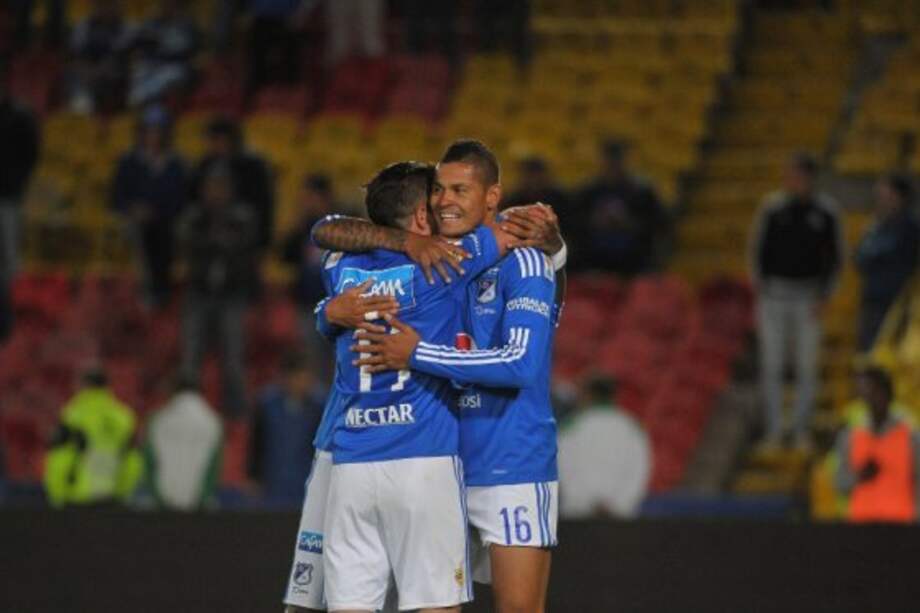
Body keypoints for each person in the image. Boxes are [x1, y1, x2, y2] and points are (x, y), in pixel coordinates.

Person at [317, 140, 566, 613]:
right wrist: (328, 311)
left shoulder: (525, 257)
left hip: (507, 462)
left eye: (459, 189)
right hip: (440, 457)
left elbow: (521, 363)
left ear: (492, 197)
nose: (445, 200)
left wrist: (416, 353)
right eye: (438, 190)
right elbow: (328, 233)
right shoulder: (436, 257)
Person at [290, 161, 517, 613]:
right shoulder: (450, 262)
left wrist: (329, 313)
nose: (444, 208)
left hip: (353, 466)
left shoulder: (341, 270)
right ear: (419, 218)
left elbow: (325, 230)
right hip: (423, 459)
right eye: (435, 202)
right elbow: (512, 231)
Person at [749, 152, 845, 450]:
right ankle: (775, 430)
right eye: (790, 176)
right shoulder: (773, 208)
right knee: (772, 364)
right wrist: (761, 289)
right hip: (775, 295)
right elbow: (757, 252)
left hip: (809, 297)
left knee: (806, 366)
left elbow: (836, 258)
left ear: (810, 178)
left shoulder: (826, 212)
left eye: (798, 176)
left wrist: (826, 295)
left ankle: (801, 429)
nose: (793, 182)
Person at [176, 163, 259, 418]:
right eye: (212, 187)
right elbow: (184, 244)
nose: (216, 192)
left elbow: (247, 249)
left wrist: (219, 245)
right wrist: (216, 244)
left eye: (221, 187)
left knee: (233, 356)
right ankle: (187, 407)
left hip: (231, 294)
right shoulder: (195, 216)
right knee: (191, 354)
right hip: (199, 292)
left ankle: (235, 412)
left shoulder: (242, 216)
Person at [111, 105, 187, 308]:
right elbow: (117, 197)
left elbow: (182, 199)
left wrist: (159, 212)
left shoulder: (176, 164)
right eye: (149, 130)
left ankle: (164, 290)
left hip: (167, 219)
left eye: (158, 131)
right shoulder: (128, 162)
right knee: (139, 233)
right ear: (141, 133)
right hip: (135, 219)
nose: (154, 136)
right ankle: (147, 289)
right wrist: (133, 209)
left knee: (170, 233)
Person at [44, 368, 143, 508]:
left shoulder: (73, 414)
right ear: (107, 386)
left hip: (78, 496)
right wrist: (123, 493)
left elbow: (60, 458)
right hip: (111, 497)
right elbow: (132, 460)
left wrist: (57, 496)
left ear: (83, 385)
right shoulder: (124, 416)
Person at [834, 366, 920, 523]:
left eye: (876, 392)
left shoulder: (910, 436)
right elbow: (840, 483)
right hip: (861, 525)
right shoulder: (849, 436)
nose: (872, 398)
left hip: (902, 525)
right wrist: (859, 476)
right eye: (866, 393)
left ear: (888, 394)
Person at [557, 375, 650, 519]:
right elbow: (639, 470)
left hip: (577, 517)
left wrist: (584, 503)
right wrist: (619, 504)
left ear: (588, 394)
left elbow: (561, 466)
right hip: (619, 518)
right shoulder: (631, 427)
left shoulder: (571, 426)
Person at [571, 139, 668, 275]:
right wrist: (594, 222)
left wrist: (629, 224)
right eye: (609, 160)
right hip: (592, 256)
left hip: (633, 257)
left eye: (616, 160)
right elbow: (574, 225)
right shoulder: (587, 193)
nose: (612, 164)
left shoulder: (642, 192)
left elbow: (657, 224)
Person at [249, 351, 325, 508]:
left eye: (307, 378)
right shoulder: (266, 405)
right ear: (287, 377)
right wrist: (253, 477)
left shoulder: (318, 408)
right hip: (273, 483)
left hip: (304, 483)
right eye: (299, 378)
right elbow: (257, 444)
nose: (304, 383)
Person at [854, 174, 920, 352]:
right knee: (868, 353)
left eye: (884, 194)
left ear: (898, 196)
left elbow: (889, 255)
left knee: (891, 356)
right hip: (873, 298)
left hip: (898, 302)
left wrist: (874, 252)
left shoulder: (910, 227)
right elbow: (860, 259)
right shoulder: (876, 225)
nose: (879, 199)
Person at [191, 115, 275, 253]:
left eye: (221, 140)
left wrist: (263, 244)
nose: (217, 145)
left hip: (242, 227)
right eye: (213, 140)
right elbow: (195, 198)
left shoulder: (253, 167)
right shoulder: (204, 165)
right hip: (209, 223)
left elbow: (263, 206)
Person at [0, 59, 40, 343]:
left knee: (10, 261)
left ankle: (6, 318)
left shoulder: (20, 116)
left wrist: (16, 182)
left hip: (7, 197)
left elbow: (31, 154)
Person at [280, 174, 338, 361]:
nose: (307, 203)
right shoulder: (303, 229)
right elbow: (284, 256)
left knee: (337, 361)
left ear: (325, 197)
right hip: (307, 306)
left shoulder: (342, 226)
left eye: (311, 197)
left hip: (337, 305)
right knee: (310, 359)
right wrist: (297, 228)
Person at [143, 375, 223, 511]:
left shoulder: (157, 420)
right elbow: (213, 468)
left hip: (163, 506)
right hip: (198, 507)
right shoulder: (213, 422)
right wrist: (202, 498)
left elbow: (150, 463)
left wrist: (158, 498)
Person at [125, 0, 201, 107]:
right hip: (152, 66)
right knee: (139, 71)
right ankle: (141, 104)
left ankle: (148, 102)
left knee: (171, 74)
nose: (166, 8)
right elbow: (135, 45)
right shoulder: (152, 24)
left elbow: (188, 52)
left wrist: (161, 49)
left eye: (171, 5)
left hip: (175, 67)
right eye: (164, 5)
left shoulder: (187, 26)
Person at [67, 0, 128, 114]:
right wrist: (87, 73)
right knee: (80, 102)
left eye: (109, 5)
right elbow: (75, 58)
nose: (105, 9)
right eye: (100, 5)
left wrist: (98, 73)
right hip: (85, 77)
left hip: (116, 78)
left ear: (118, 7)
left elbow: (118, 58)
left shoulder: (126, 28)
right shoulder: (82, 27)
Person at [504, 155, 569, 213]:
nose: (534, 180)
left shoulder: (559, 200)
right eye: (529, 175)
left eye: (536, 174)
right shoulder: (513, 202)